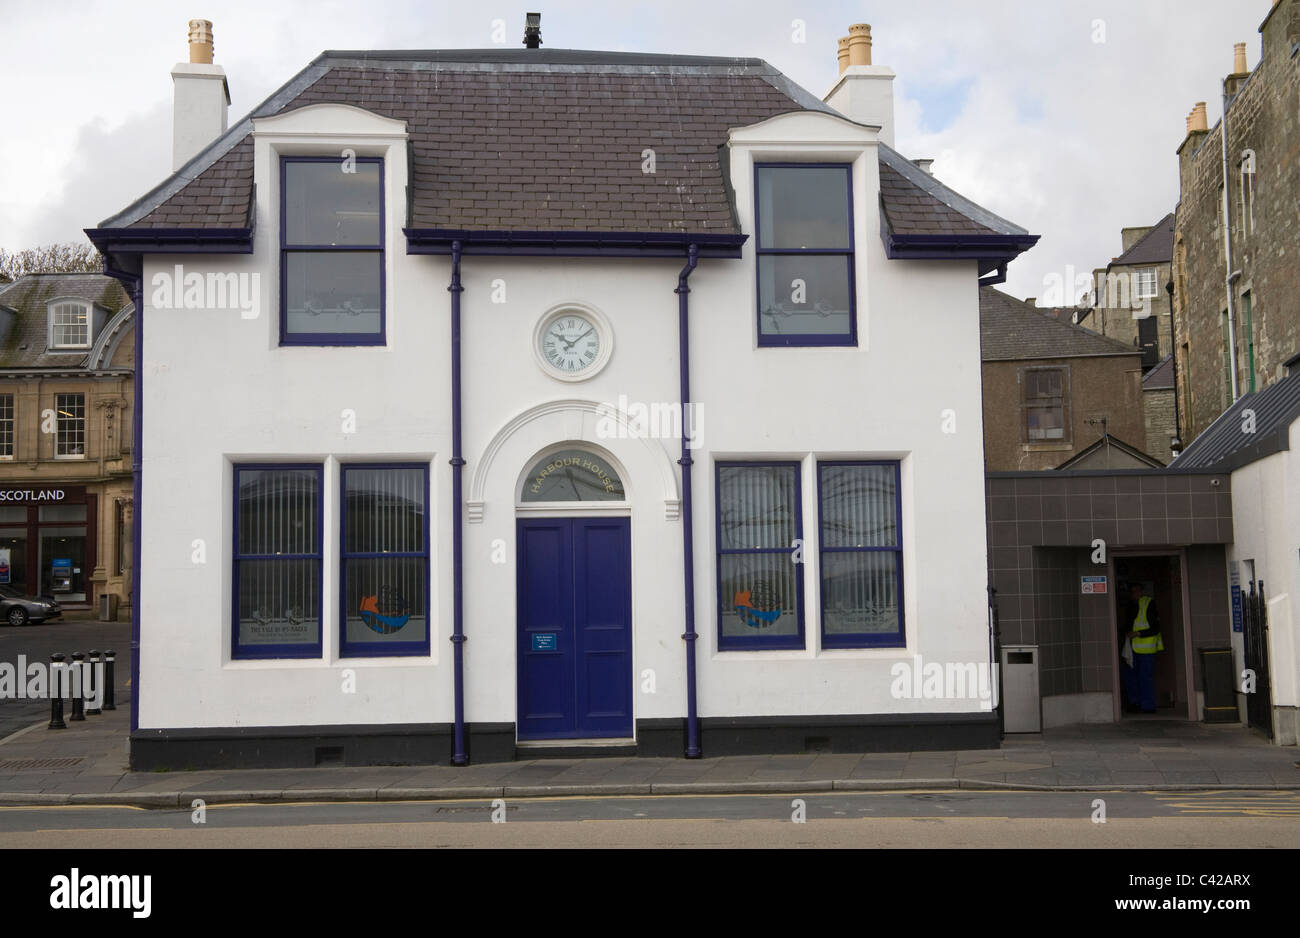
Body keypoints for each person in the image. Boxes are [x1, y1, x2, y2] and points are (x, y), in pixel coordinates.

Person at [1122, 582, 1162, 713]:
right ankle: (1135, 703)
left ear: (1142, 592)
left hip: (1146, 649)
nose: (1134, 594)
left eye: (1137, 591)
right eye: (1132, 592)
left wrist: (1138, 633)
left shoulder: (1149, 603)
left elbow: (1155, 628)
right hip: (1131, 647)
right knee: (1131, 676)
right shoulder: (1130, 606)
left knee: (1145, 677)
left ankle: (1147, 706)